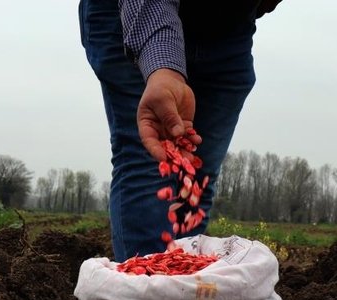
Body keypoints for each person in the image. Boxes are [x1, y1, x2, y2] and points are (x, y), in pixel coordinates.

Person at [79, 0, 282, 261]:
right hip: (132, 11)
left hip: (228, 25)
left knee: (197, 173)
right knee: (149, 161)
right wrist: (162, 66)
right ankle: (148, 289)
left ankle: (183, 282)